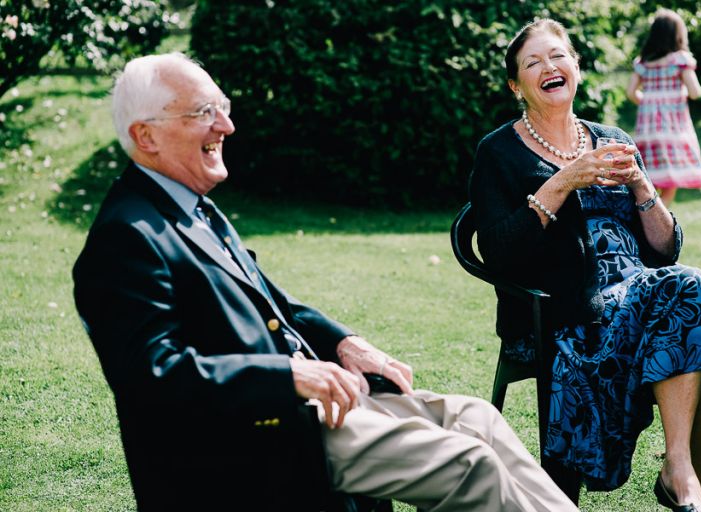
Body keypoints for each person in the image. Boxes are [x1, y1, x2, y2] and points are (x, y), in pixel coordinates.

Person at [71, 52, 578, 512]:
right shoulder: (126, 237)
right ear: (146, 136)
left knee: (477, 419)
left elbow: (273, 302)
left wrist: (343, 342)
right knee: (468, 464)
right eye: (203, 112)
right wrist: (286, 375)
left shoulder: (191, 206)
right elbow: (152, 376)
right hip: (257, 437)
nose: (226, 125)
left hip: (315, 405)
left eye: (221, 107)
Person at [469, 19, 701, 512]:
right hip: (563, 310)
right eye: (533, 63)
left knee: (683, 290)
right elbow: (498, 250)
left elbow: (665, 250)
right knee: (688, 295)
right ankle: (688, 483)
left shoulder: (611, 138)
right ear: (516, 86)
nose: (549, 67)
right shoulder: (498, 152)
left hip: (640, 295)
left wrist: (641, 185)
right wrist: (564, 181)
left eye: (558, 56)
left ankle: (681, 469)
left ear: (576, 67)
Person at [626, 9, 701, 205]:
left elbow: (630, 92)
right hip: (673, 127)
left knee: (650, 175)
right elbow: (695, 92)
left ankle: (648, 211)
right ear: (678, 35)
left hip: (648, 129)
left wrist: (648, 102)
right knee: (671, 175)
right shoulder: (679, 60)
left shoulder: (644, 62)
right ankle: (660, 214)